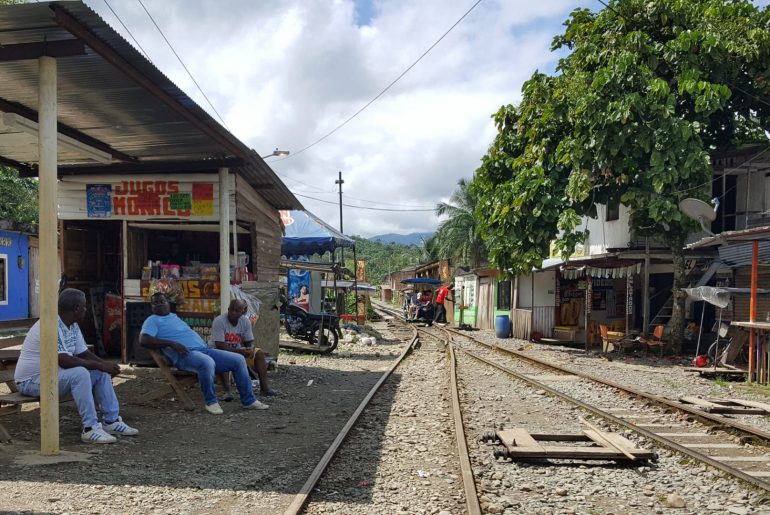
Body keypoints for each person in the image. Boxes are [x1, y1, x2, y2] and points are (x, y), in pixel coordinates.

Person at [14, 288, 138, 444]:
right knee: (80, 373)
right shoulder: (50, 325)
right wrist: (99, 365)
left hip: (53, 377)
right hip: (30, 382)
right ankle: (90, 428)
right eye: (84, 306)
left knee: (99, 373)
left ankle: (111, 422)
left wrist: (105, 365)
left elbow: (83, 353)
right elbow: (64, 360)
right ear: (76, 308)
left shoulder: (71, 325)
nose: (86, 309)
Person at [139, 293, 268, 414]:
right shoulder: (152, 320)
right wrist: (171, 344)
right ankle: (210, 402)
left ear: (168, 303)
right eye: (156, 303)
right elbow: (143, 340)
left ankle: (248, 400)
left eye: (162, 301)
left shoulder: (173, 316)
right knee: (207, 362)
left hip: (204, 349)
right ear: (152, 307)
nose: (160, 304)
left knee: (239, 359)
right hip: (185, 355)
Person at [210, 299, 278, 400]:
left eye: (237, 311)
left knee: (258, 353)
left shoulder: (245, 321)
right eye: (231, 310)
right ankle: (227, 391)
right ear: (228, 309)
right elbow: (220, 346)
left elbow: (248, 341)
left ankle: (265, 388)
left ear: (243, 312)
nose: (233, 313)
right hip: (218, 351)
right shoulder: (219, 321)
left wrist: (250, 349)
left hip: (237, 350)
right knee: (223, 356)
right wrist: (240, 351)